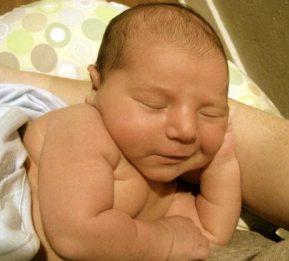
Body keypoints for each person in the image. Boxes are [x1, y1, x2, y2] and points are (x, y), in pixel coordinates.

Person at [23, 3, 242, 260]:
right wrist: (166, 240)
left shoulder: (165, 192)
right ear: (96, 86)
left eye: (210, 114)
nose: (186, 130)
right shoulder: (82, 126)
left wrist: (222, 163)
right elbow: (77, 234)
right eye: (154, 104)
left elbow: (209, 237)